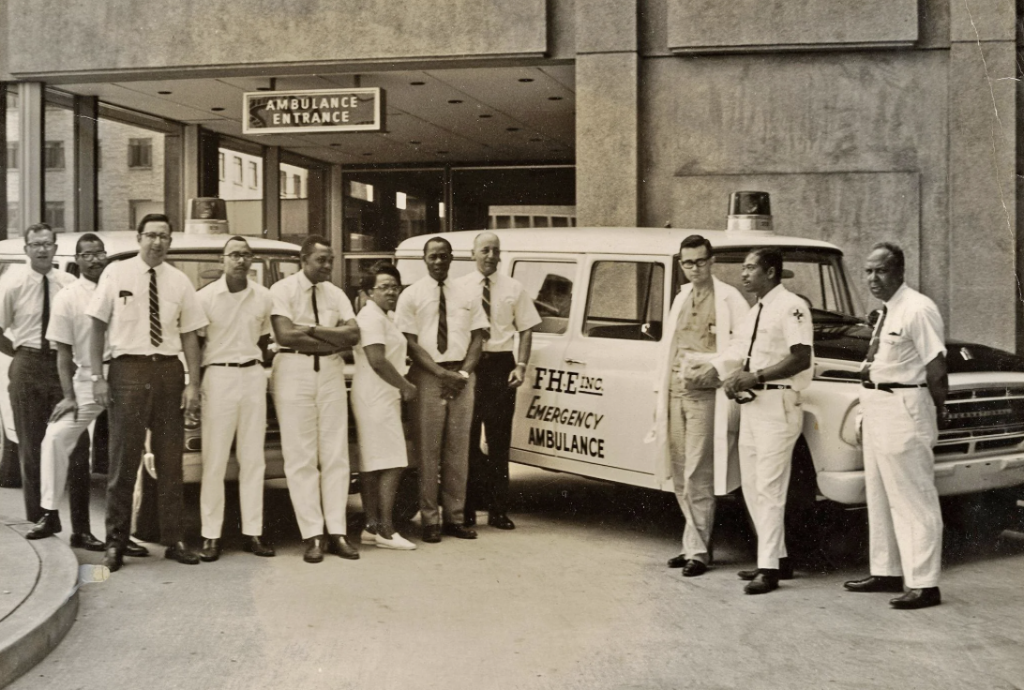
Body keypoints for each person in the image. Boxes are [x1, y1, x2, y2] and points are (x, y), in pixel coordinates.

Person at [88, 214, 208, 572]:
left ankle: (175, 540)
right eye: (151, 236)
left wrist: (193, 383)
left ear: (170, 242)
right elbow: (96, 328)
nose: (157, 242)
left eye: (164, 237)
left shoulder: (179, 281)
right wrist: (98, 376)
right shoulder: (116, 273)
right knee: (123, 461)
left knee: (171, 462)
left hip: (168, 371)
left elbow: (189, 334)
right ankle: (116, 542)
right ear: (139, 238)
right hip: (128, 370)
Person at [24, 234, 149, 555]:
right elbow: (63, 352)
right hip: (85, 379)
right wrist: (68, 396)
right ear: (77, 260)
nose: (95, 260)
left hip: (124, 373)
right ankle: (50, 513)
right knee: (55, 438)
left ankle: (121, 534)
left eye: (99, 254)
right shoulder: (68, 297)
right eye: (87, 255)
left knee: (127, 450)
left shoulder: (123, 288)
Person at [843, 242, 947, 610]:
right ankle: (886, 570)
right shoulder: (888, 311)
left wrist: (937, 410)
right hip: (877, 406)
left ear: (900, 272)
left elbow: (936, 369)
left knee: (913, 498)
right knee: (880, 495)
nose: (873, 278)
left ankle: (924, 583)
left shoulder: (918, 309)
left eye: (881, 271)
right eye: (869, 271)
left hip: (905, 407)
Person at [711, 247, 813, 595]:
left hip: (778, 404)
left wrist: (754, 377)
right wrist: (730, 377)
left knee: (769, 486)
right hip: (753, 406)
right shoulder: (755, 310)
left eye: (751, 268)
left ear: (770, 272)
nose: (743, 274)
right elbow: (739, 352)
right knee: (753, 484)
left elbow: (801, 358)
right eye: (743, 268)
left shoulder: (792, 306)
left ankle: (768, 568)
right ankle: (777, 558)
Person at [659, 235, 748, 577]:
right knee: (680, 471)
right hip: (675, 389)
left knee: (699, 470)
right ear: (681, 264)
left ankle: (699, 551)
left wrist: (715, 366)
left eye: (700, 261)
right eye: (687, 263)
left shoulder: (729, 298)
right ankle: (692, 544)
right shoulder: (681, 296)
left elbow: (741, 344)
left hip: (705, 394)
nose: (694, 268)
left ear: (712, 262)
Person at [270, 235, 360, 563]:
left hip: (331, 374)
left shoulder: (336, 294)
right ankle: (313, 535)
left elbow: (353, 335)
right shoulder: (282, 290)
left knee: (336, 453)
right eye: (322, 260)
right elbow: (284, 335)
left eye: (331, 260)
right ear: (304, 260)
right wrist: (329, 336)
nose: (328, 266)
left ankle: (337, 531)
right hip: (293, 371)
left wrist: (309, 330)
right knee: (301, 456)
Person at [395, 236, 488, 543]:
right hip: (427, 375)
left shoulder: (468, 293)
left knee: (458, 450)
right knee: (428, 450)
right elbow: (409, 340)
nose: (438, 261)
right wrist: (438, 373)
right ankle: (430, 519)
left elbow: (478, 337)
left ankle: (455, 518)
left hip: (462, 374)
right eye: (433, 256)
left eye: (444, 256)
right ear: (424, 259)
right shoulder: (411, 295)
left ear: (452, 259)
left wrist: (462, 373)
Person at [196, 236, 276, 562]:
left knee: (253, 459)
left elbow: (266, 338)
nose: (240, 261)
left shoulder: (264, 297)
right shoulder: (204, 298)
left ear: (252, 259)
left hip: (253, 376)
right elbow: (197, 344)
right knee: (214, 460)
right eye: (234, 255)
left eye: (245, 255)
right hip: (218, 376)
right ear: (223, 259)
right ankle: (210, 536)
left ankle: (253, 533)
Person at [458, 232, 541, 531]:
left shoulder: (514, 288)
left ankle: (498, 511)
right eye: (485, 250)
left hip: (502, 366)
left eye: (495, 250)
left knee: (499, 443)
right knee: (466, 441)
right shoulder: (460, 288)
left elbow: (528, 328)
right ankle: (465, 511)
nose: (491, 255)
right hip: (472, 365)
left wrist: (521, 364)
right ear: (473, 254)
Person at [0, 223, 76, 524]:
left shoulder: (68, 283)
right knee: (30, 447)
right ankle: (40, 520)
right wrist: (20, 353)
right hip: (28, 364)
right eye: (36, 245)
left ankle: (75, 524)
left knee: (65, 443)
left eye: (47, 244)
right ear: (27, 249)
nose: (43, 249)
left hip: (62, 366)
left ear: (55, 248)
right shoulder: (12, 284)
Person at [352, 262, 417, 551]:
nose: (391, 291)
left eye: (395, 286)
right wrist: (405, 386)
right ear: (368, 292)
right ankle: (387, 531)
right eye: (384, 287)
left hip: (380, 396)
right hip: (375, 395)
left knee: (374, 464)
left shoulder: (383, 317)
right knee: (391, 461)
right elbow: (377, 360)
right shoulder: (371, 318)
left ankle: (372, 526)